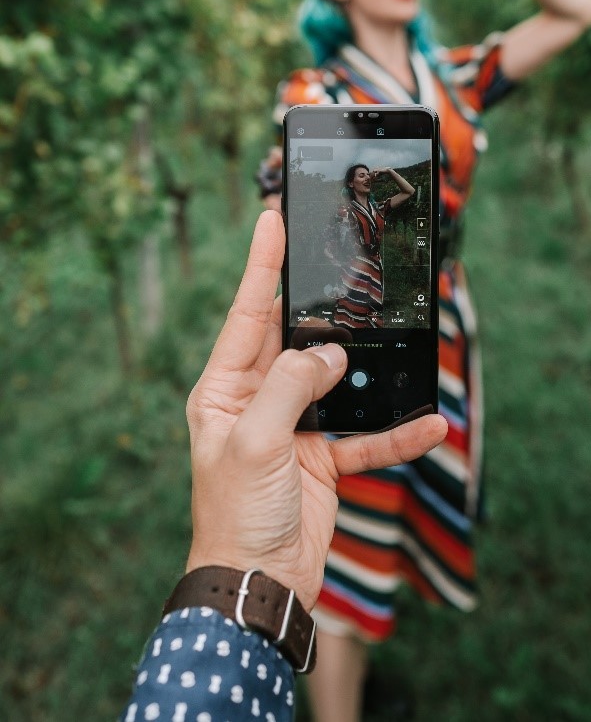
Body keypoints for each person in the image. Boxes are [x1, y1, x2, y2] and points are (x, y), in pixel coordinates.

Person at [260, 0, 591, 722]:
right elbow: (293, 203)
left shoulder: (452, 76)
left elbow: (578, 10)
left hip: (443, 322)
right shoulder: (316, 90)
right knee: (343, 532)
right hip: (357, 329)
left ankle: (357, 661)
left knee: (398, 497)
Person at [119, 210, 448, 721]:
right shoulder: (342, 213)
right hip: (343, 323)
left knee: (371, 550)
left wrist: (243, 568)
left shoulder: (375, 211)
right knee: (355, 557)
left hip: (387, 316)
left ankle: (354, 681)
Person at [326, 163, 414, 328]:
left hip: (374, 268)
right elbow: (334, 242)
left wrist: (389, 171)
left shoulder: (379, 208)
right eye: (361, 175)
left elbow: (409, 191)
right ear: (351, 184)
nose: (367, 178)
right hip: (354, 270)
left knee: (371, 317)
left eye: (368, 175)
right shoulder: (346, 210)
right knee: (351, 315)